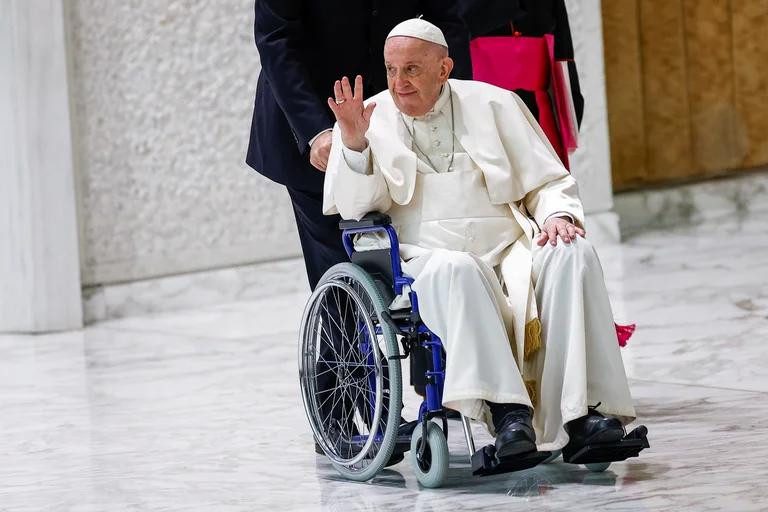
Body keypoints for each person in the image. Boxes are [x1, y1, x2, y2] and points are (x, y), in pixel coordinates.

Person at [322, 19, 641, 463]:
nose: (399, 83)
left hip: (511, 248)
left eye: (412, 69)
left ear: (444, 68)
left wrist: (558, 215)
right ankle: (508, 414)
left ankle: (583, 415)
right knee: (460, 268)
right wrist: (355, 144)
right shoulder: (366, 119)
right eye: (391, 70)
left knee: (573, 252)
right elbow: (357, 211)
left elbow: (547, 182)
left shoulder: (495, 103)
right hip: (425, 257)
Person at [246, 0, 472, 291]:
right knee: (338, 265)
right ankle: (344, 335)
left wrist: (455, 107)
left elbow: (447, 21)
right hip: (313, 121)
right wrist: (317, 132)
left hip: (396, 117)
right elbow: (276, 41)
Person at [458, 0, 583, 169]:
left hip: (538, 115)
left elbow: (563, 54)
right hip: (480, 113)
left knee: (545, 187)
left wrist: (571, 113)